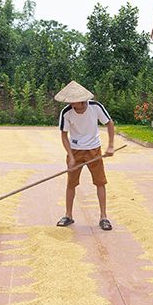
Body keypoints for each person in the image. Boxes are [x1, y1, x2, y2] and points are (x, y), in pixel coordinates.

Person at [54, 80, 116, 230]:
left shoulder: (96, 107)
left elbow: (109, 123)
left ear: (82, 100)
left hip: (94, 150)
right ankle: (68, 215)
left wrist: (111, 146)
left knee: (100, 182)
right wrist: (71, 156)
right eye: (70, 102)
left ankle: (103, 217)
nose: (72, 104)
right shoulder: (66, 112)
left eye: (75, 102)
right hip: (75, 150)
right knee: (71, 184)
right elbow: (64, 135)